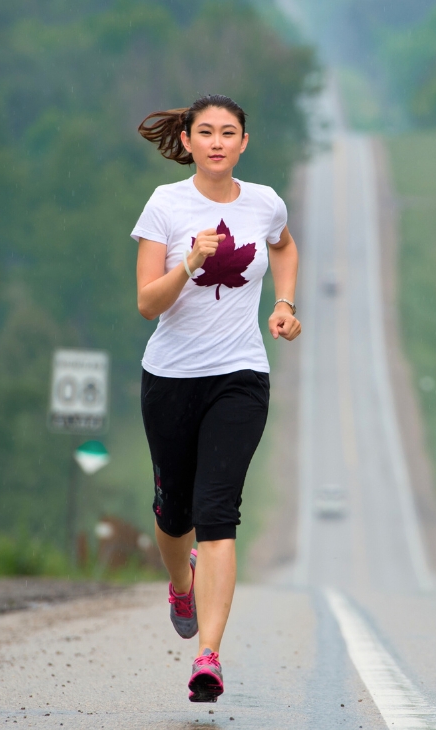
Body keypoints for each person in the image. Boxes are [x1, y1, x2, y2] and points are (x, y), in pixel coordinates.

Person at [131, 94, 301, 703]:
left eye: (229, 133)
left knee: (218, 511)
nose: (218, 142)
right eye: (206, 132)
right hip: (171, 378)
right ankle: (182, 582)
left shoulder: (265, 202)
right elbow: (149, 302)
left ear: (244, 143)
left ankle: (209, 654)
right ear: (189, 140)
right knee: (174, 511)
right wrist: (191, 262)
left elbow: (282, 246)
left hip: (240, 377)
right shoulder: (165, 205)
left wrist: (284, 304)